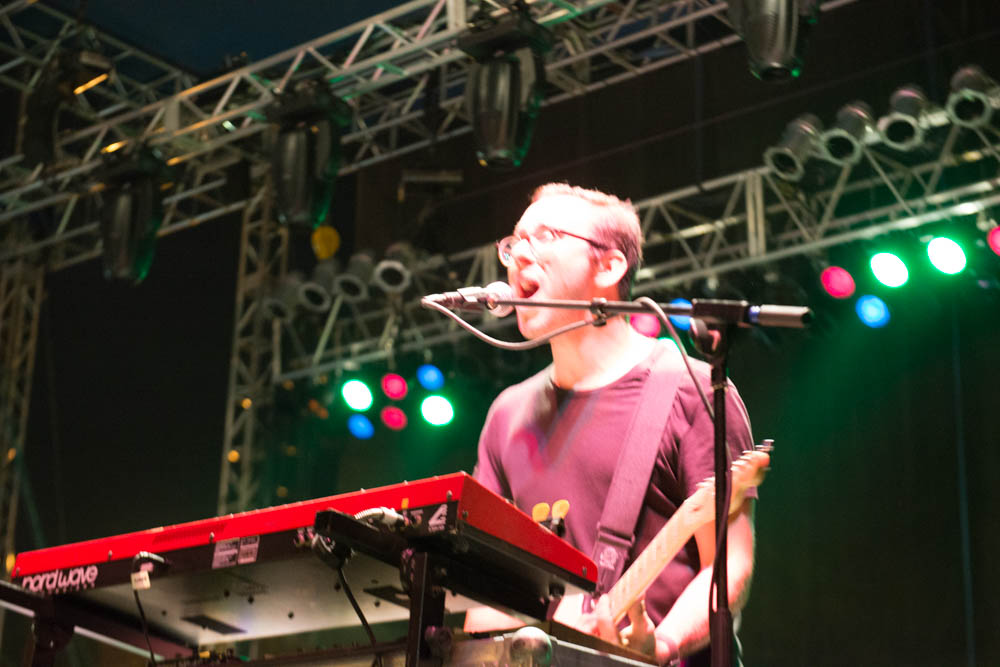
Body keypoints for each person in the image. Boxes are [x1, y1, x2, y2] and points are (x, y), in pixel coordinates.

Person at [470, 183, 757, 666]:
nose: (519, 254)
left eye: (547, 236)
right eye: (514, 242)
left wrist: (661, 645)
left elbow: (729, 565)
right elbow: (484, 600)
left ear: (609, 267)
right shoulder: (506, 415)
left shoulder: (690, 389)